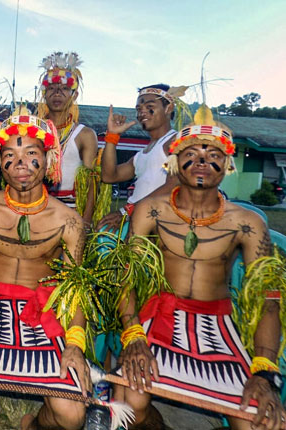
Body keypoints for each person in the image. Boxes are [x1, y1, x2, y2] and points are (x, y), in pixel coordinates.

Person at [114, 104, 286, 430]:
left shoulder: (247, 223)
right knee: (129, 406)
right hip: (158, 315)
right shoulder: (150, 210)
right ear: (174, 162)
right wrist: (134, 335)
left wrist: (264, 370)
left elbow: (268, 298)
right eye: (191, 153)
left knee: (260, 423)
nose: (202, 161)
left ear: (228, 164)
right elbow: (128, 276)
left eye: (213, 155)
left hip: (218, 325)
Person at [0, 111, 90, 430]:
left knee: (72, 416)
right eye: (11, 155)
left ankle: (33, 426)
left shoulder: (69, 221)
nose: (20, 163)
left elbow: (74, 288)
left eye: (30, 153)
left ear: (49, 159)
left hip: (45, 312)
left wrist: (75, 344)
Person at [98, 84, 187, 232]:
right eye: (139, 109)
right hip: (138, 221)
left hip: (159, 225)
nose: (142, 112)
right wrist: (112, 136)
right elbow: (109, 176)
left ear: (168, 108)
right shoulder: (142, 154)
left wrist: (127, 211)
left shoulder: (176, 141)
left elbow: (174, 184)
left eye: (149, 106)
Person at [37, 52, 101, 230]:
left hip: (70, 211)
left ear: (74, 94)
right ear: (44, 93)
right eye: (51, 88)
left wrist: (85, 223)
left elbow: (91, 183)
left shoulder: (85, 134)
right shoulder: (34, 130)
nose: (57, 94)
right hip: (35, 207)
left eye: (64, 89)